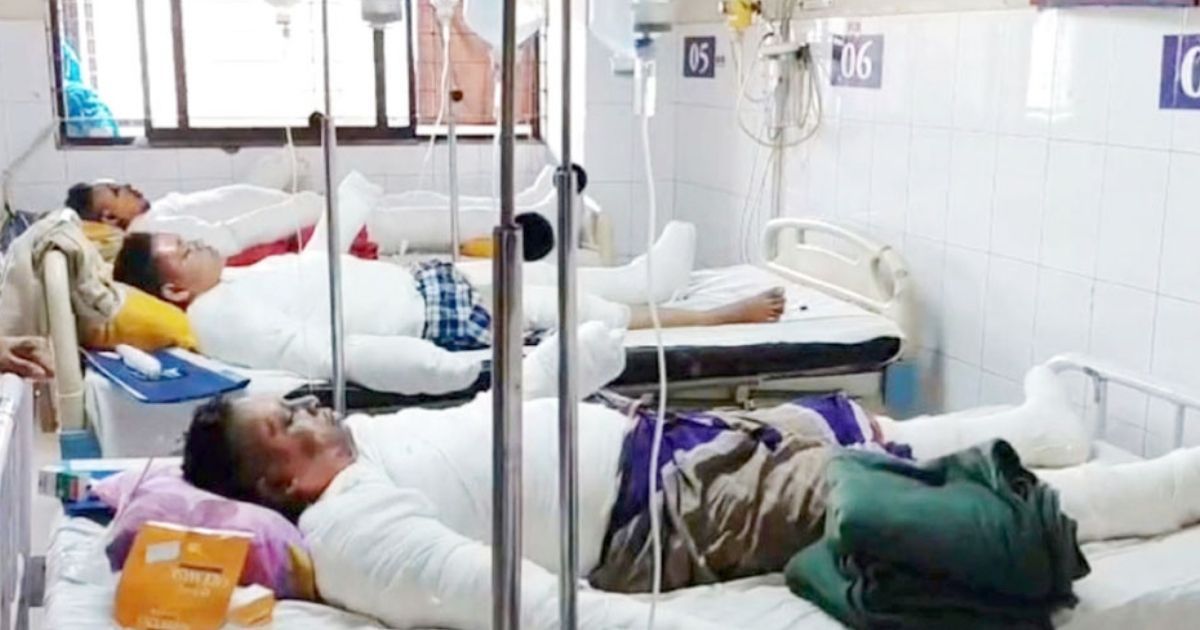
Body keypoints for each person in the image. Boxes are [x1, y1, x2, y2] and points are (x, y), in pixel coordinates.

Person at [178, 333, 1200, 629]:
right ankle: (1153, 494)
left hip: (658, 449)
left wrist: (560, 368)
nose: (310, 411)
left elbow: (492, 428)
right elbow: (511, 598)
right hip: (661, 516)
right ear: (282, 486)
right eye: (285, 426)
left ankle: (1039, 430)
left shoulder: (364, 447)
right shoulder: (353, 527)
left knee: (848, 424)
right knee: (878, 489)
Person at [112, 176, 785, 395]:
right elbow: (325, 353)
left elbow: (318, 277)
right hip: (437, 322)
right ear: (173, 292)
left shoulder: (235, 282)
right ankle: (714, 315)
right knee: (578, 309)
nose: (200, 243)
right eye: (183, 250)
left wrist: (346, 207)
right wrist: (445, 370)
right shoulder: (222, 316)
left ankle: (648, 280)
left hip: (428, 287)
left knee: (547, 278)